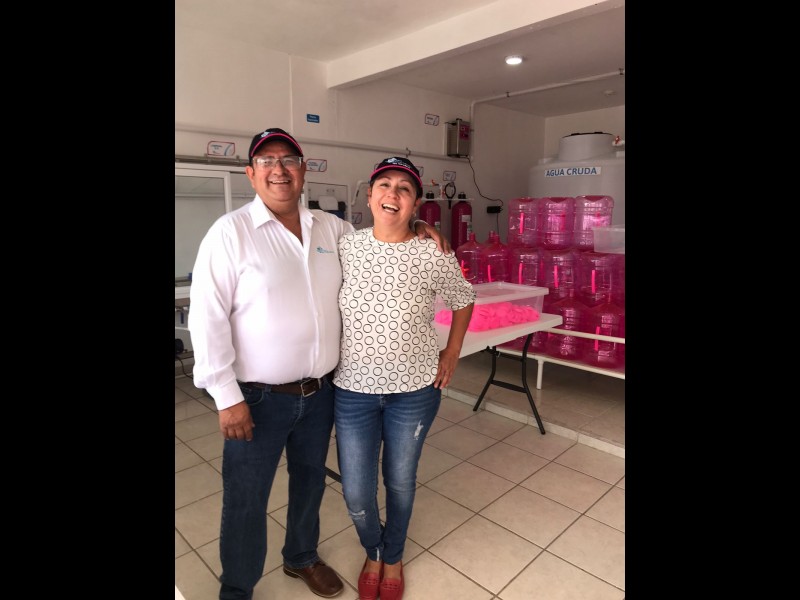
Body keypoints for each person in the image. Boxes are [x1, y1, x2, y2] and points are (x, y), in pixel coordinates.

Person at [188, 130, 450, 600]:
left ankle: (301, 556)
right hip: (256, 398)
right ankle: (238, 589)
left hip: (322, 392)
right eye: (266, 161)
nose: (279, 169)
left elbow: (384, 235)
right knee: (247, 497)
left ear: (304, 170)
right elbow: (207, 319)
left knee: (309, 482)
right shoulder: (230, 233)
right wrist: (226, 398)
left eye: (289, 159)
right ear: (250, 173)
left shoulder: (333, 230)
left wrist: (418, 228)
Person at [332, 157, 475, 600]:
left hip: (413, 392)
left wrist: (452, 350)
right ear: (369, 195)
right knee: (356, 490)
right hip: (353, 390)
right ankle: (372, 549)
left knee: (399, 482)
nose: (392, 194)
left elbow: (463, 298)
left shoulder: (433, 252)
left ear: (415, 203)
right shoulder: (345, 246)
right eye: (384, 185)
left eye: (404, 189)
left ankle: (390, 557)